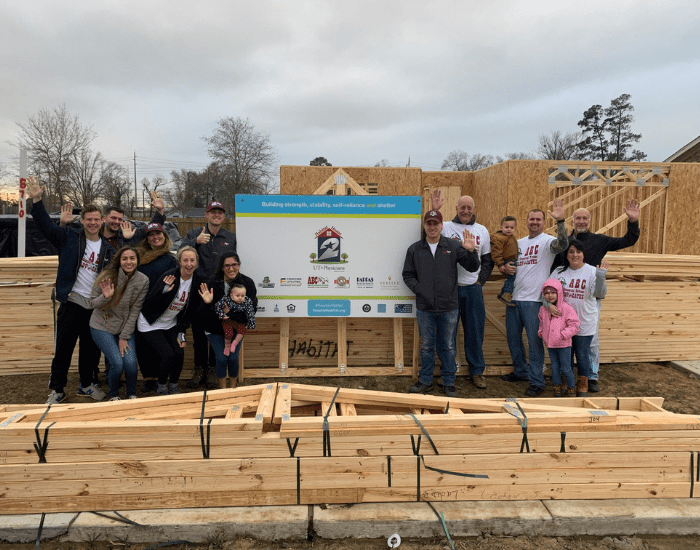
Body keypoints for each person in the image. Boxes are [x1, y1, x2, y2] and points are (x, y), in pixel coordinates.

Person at [28, 177, 115, 404]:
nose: (93, 223)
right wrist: (37, 200)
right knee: (64, 349)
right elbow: (45, 227)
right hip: (72, 303)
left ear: (102, 220)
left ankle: (86, 385)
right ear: (82, 220)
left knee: (90, 350)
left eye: (97, 219)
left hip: (93, 306)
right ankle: (57, 389)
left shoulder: (108, 250)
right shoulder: (69, 237)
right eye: (89, 219)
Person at [551, 200, 640, 393]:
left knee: (590, 341)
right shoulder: (564, 242)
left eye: (584, 218)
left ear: (589, 221)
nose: (581, 221)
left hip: (590, 298)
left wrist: (633, 222)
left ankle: (591, 377)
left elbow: (627, 241)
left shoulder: (600, 240)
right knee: (566, 340)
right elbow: (556, 267)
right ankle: (569, 375)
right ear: (572, 221)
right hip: (567, 298)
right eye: (577, 218)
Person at [402, 209, 480, 398]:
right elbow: (407, 275)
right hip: (425, 307)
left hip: (449, 307)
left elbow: (472, 267)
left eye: (435, 223)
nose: (432, 227)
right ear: (425, 226)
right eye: (429, 223)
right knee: (427, 346)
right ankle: (425, 380)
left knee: (448, 346)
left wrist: (471, 251)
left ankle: (448, 382)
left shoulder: (452, 246)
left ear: (441, 225)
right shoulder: (414, 249)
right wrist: (421, 290)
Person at [501, 199, 568, 397]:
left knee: (534, 343)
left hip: (535, 300)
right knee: (513, 339)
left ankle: (537, 381)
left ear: (544, 222)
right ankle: (521, 372)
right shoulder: (518, 243)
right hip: (514, 299)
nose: (535, 222)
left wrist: (561, 221)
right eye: (532, 219)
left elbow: (563, 244)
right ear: (527, 221)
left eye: (539, 219)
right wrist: (504, 267)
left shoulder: (547, 242)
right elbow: (507, 264)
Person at [429, 191, 493, 390]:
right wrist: (435, 210)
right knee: (447, 334)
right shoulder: (446, 226)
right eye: (462, 207)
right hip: (450, 290)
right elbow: (428, 233)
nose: (465, 211)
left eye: (469, 207)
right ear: (456, 209)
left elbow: (488, 261)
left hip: (473, 290)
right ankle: (449, 372)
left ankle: (476, 372)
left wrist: (480, 282)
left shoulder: (482, 230)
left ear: (474, 210)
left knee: (475, 332)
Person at [181, 200, 237, 389]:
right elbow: (180, 252)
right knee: (198, 334)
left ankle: (213, 369)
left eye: (220, 212)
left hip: (219, 292)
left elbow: (233, 263)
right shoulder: (194, 234)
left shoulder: (230, 237)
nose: (216, 215)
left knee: (217, 331)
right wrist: (194, 243)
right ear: (206, 215)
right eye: (212, 212)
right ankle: (199, 369)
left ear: (224, 216)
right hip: (197, 291)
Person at [136, 246, 203, 395]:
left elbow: (190, 312)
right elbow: (149, 302)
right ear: (179, 261)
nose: (189, 264)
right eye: (185, 260)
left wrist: (182, 333)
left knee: (179, 352)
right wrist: (164, 291)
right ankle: (161, 386)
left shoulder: (197, 281)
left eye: (192, 260)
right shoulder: (170, 277)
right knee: (168, 354)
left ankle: (173, 385)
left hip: (172, 324)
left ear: (196, 262)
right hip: (150, 323)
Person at [549, 240, 609, 397]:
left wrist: (601, 277)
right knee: (565, 355)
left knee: (582, 354)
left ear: (583, 254)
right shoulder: (559, 272)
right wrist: (547, 305)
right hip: (563, 323)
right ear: (566, 255)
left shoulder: (591, 271)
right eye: (571, 251)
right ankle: (567, 383)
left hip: (584, 322)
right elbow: (547, 291)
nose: (574, 254)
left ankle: (583, 384)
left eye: (578, 252)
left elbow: (600, 294)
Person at [89, 247, 149, 400]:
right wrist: (106, 297)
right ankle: (113, 395)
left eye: (132, 258)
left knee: (130, 364)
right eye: (125, 259)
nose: (129, 262)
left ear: (137, 260)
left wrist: (124, 336)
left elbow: (135, 310)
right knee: (116, 363)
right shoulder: (107, 277)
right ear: (119, 261)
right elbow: (93, 303)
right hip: (102, 325)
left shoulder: (143, 280)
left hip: (124, 328)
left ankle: (131, 395)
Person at [198, 252, 257, 389]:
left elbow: (250, 312)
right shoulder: (211, 284)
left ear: (239, 265)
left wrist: (229, 313)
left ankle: (233, 389)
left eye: (234, 265)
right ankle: (223, 391)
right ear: (222, 267)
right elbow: (201, 313)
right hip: (215, 329)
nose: (231, 269)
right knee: (221, 358)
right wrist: (208, 303)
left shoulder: (247, 283)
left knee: (233, 358)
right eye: (227, 265)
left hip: (237, 328)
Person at [538, 279, 580, 397]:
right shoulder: (543, 309)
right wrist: (541, 332)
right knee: (555, 367)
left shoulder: (566, 308)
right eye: (546, 293)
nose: (550, 295)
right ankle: (557, 388)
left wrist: (563, 335)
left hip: (564, 345)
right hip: (550, 344)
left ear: (559, 293)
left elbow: (574, 325)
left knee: (566, 368)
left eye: (553, 292)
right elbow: (542, 321)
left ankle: (571, 388)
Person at [215, 283, 256, 356]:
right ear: (231, 295)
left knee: (243, 330)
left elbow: (251, 312)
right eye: (237, 296)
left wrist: (251, 323)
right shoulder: (226, 299)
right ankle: (227, 345)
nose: (240, 298)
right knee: (228, 334)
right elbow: (217, 306)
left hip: (240, 322)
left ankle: (234, 343)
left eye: (242, 296)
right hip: (228, 320)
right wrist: (222, 315)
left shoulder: (247, 301)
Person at [491, 216, 519, 305]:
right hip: (507, 261)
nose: (509, 230)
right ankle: (506, 295)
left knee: (513, 278)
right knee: (512, 278)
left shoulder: (511, 237)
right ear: (501, 227)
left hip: (513, 260)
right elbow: (496, 253)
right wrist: (500, 264)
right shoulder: (499, 238)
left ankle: (502, 294)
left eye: (512, 228)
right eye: (506, 227)